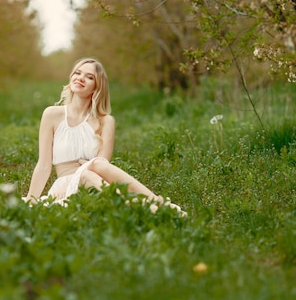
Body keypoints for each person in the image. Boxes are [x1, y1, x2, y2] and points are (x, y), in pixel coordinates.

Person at [25, 58, 185, 216]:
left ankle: (154, 204)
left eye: (89, 77)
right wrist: (31, 201)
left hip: (95, 182)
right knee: (90, 170)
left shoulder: (106, 122)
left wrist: (85, 167)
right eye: (78, 73)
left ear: (97, 87)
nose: (80, 78)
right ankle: (148, 207)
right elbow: (44, 166)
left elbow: (102, 166)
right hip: (64, 187)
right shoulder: (52, 114)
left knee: (94, 168)